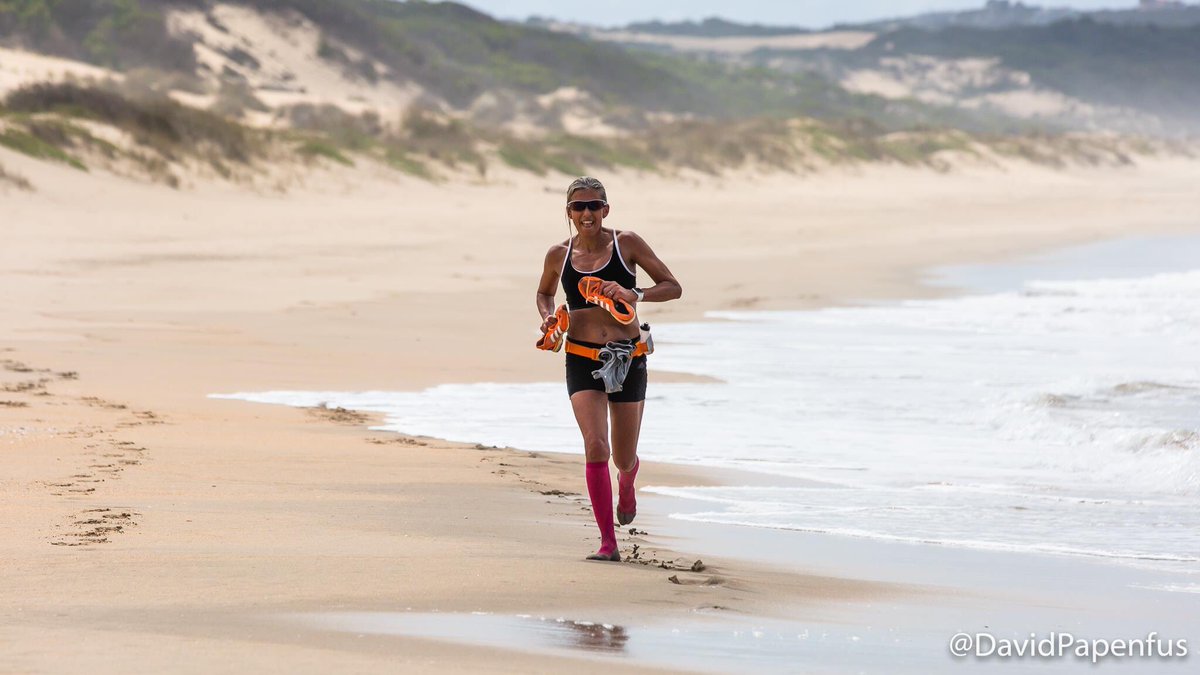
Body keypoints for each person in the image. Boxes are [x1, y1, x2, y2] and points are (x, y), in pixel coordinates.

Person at [535, 176, 682, 562]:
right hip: (581, 357)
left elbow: (672, 285)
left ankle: (628, 480)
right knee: (595, 445)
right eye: (579, 207)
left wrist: (638, 294)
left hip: (628, 356)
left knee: (622, 456)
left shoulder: (626, 243)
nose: (587, 213)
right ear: (568, 212)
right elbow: (544, 292)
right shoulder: (558, 255)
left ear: (606, 209)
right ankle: (607, 543)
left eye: (594, 205)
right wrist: (549, 318)